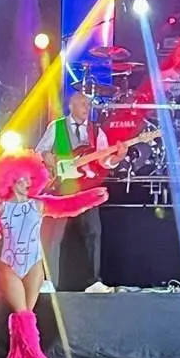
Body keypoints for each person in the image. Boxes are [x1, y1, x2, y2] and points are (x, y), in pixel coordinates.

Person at [0, 150, 108, 358]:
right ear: (11, 179)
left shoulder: (39, 205)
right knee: (22, 313)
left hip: (33, 266)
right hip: (9, 266)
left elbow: (68, 204)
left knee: (25, 317)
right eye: (23, 179)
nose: (27, 183)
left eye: (30, 179)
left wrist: (92, 197)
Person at [35, 91, 127, 294]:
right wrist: (47, 157)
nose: (87, 108)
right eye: (83, 104)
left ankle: (93, 282)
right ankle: (47, 281)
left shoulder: (96, 131)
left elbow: (104, 160)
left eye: (88, 104)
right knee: (53, 236)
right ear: (72, 106)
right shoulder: (56, 126)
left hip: (86, 188)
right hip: (61, 188)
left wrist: (118, 158)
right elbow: (39, 151)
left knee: (93, 233)